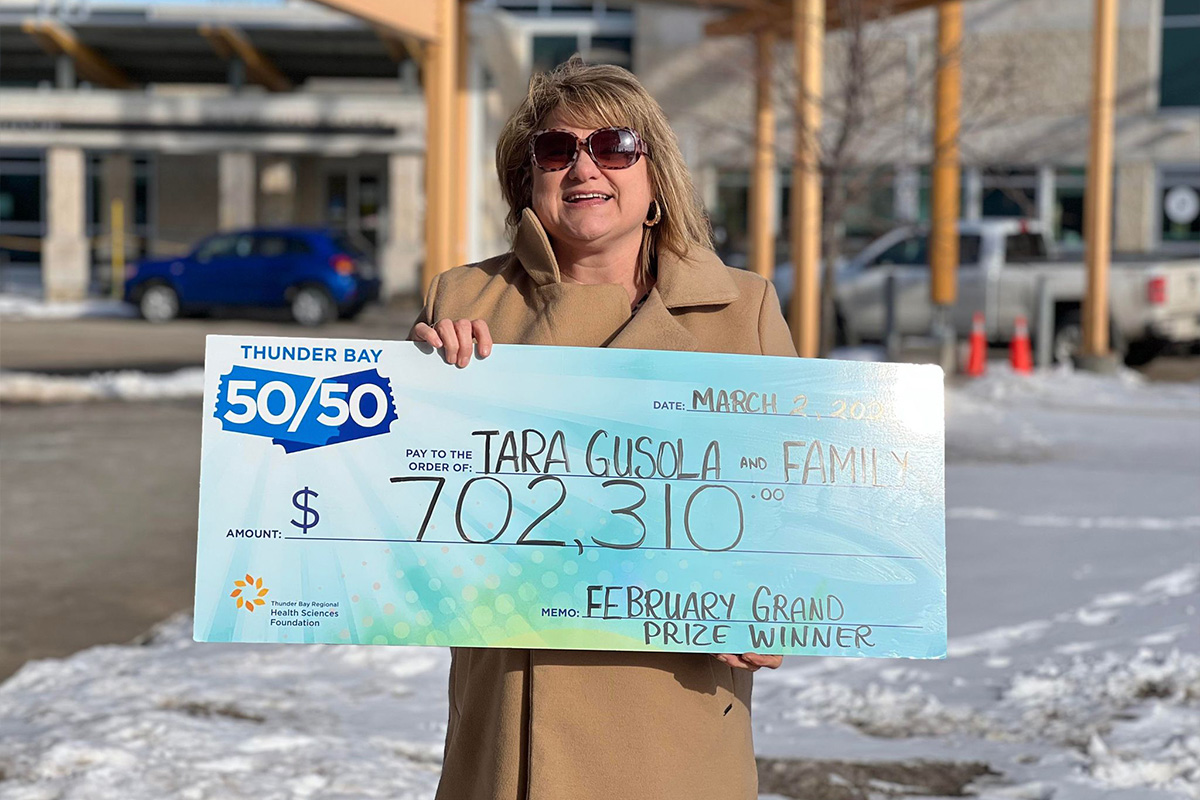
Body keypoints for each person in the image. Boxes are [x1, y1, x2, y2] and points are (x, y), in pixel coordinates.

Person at [409, 57, 797, 800]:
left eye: (615, 146)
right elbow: (396, 514)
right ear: (528, 181)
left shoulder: (741, 310)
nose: (585, 166)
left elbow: (791, 518)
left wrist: (770, 615)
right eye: (556, 151)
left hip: (671, 727)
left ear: (655, 175)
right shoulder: (462, 301)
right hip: (510, 730)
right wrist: (417, 391)